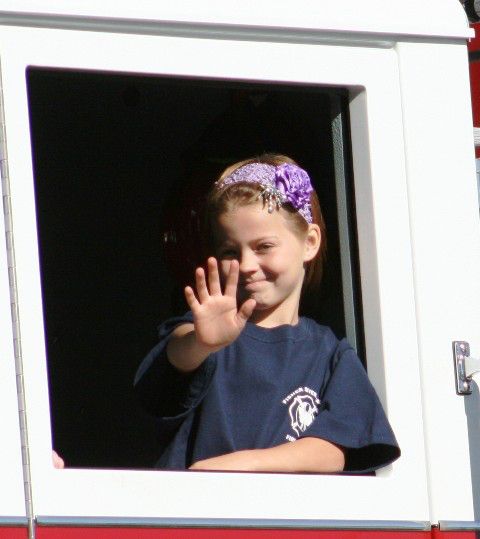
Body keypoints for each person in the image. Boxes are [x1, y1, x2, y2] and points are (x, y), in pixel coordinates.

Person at [134, 154, 400, 473]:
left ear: (309, 242)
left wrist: (243, 465)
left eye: (263, 247)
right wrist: (202, 343)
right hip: (203, 519)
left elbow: (336, 449)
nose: (246, 265)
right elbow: (177, 355)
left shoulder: (330, 353)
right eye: (230, 252)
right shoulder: (212, 331)